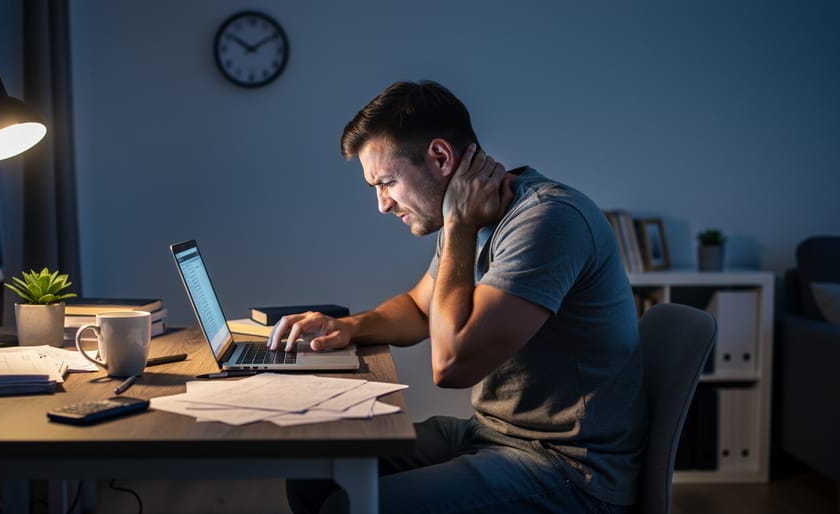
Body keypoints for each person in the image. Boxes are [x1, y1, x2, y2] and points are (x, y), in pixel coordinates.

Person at [269, 80, 647, 513]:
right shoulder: (474, 215)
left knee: (348, 509)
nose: (382, 204)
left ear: (441, 157)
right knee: (315, 472)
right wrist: (347, 327)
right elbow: (417, 307)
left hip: (566, 469)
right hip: (491, 434)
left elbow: (452, 365)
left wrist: (460, 228)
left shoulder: (546, 220)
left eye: (387, 182)